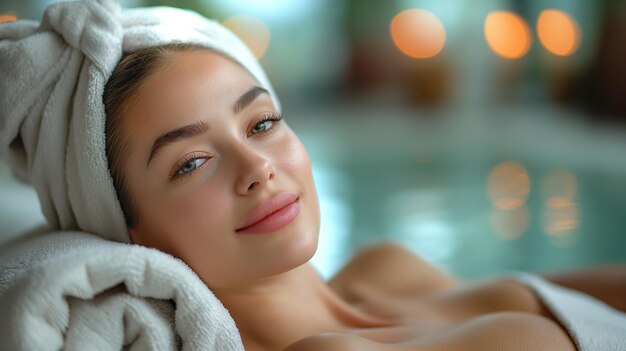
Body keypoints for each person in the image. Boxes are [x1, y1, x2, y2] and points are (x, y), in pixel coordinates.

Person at [0, 1, 624, 350]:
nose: (257, 168)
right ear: (130, 232)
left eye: (261, 123)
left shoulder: (385, 268)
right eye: (191, 163)